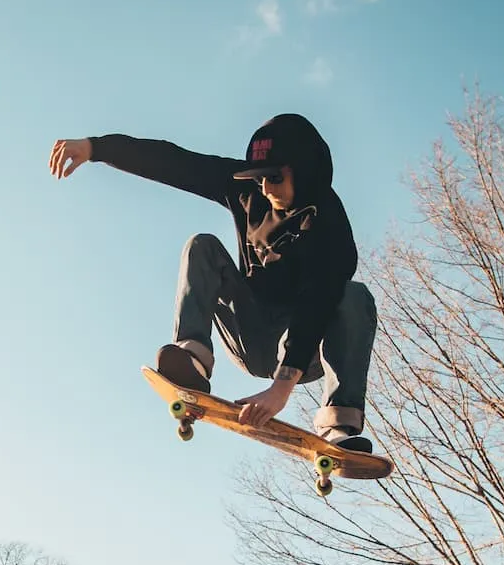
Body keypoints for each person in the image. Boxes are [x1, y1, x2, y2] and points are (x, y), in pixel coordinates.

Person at [49, 113, 377, 453]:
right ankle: (194, 358)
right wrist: (96, 148)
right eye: (260, 179)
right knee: (202, 246)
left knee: (354, 297)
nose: (265, 189)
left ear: (305, 172)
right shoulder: (247, 191)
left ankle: (339, 424)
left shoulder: (329, 223)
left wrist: (281, 388)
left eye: (274, 178)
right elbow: (176, 163)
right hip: (249, 332)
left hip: (303, 346)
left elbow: (318, 301)